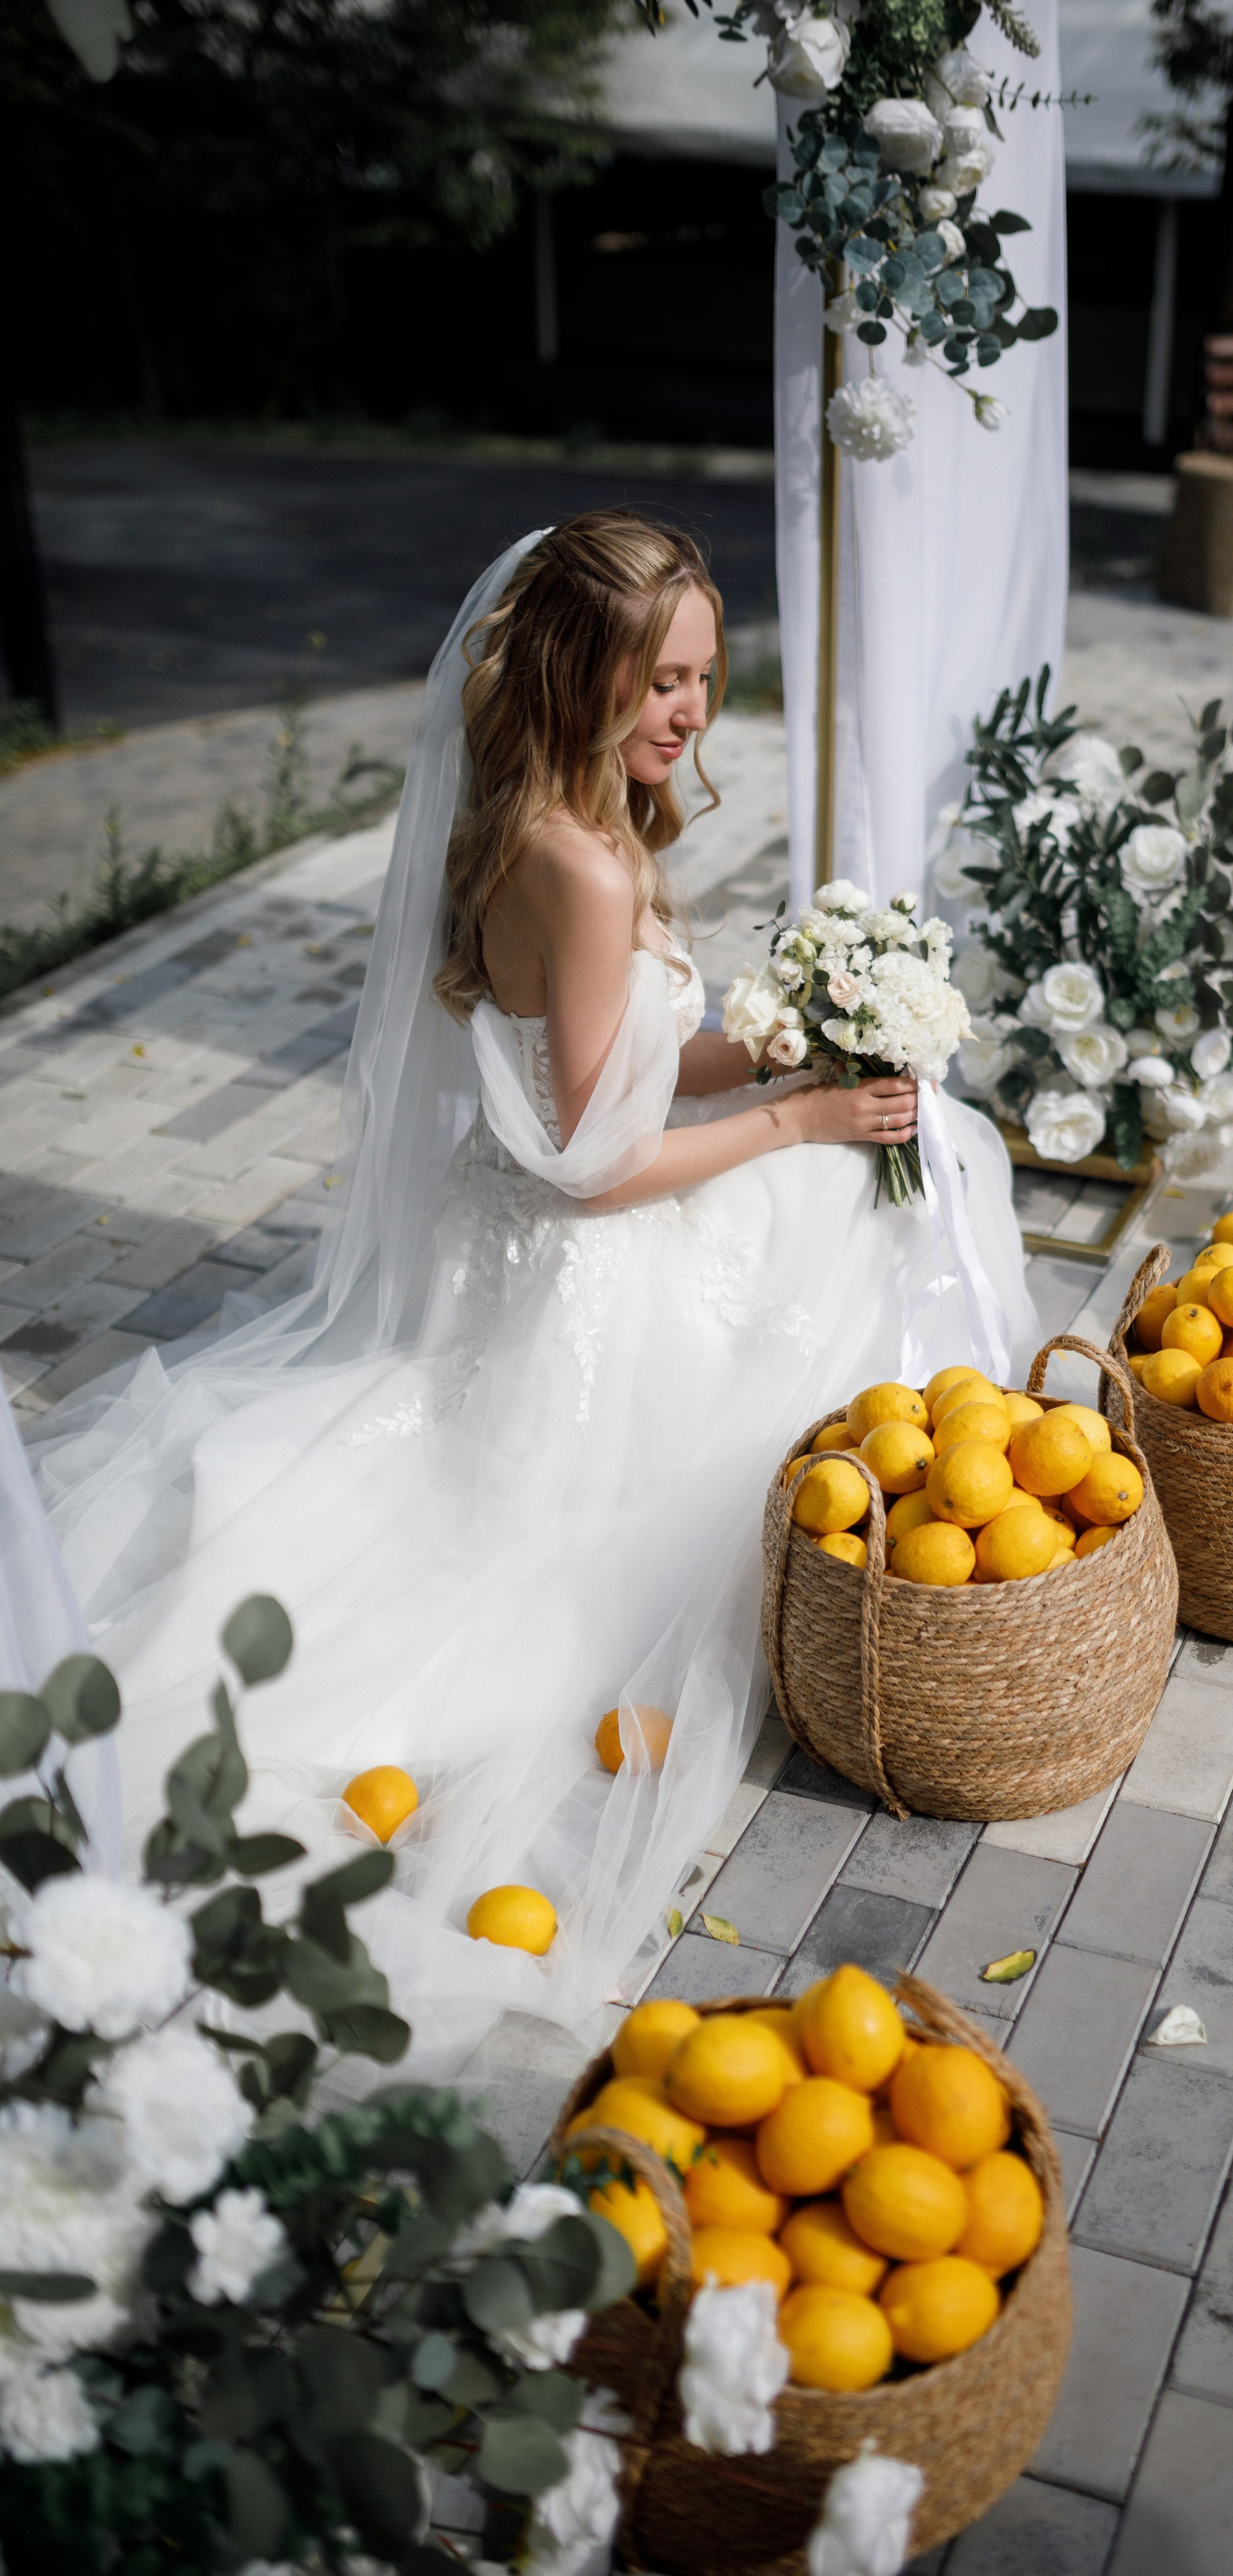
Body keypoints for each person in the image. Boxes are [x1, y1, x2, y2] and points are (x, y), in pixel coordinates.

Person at [29, 511, 1035, 2076]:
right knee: (890, 1176)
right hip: (579, 1264)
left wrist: (765, 1051)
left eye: (703, 676)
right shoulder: (575, 863)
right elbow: (591, 1161)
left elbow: (600, 1073)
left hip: (527, 1228)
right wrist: (804, 1118)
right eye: (661, 682)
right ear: (579, 675)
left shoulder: (557, 821)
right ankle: (910, 1525)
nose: (691, 713)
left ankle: (914, 1481)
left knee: (911, 1150)